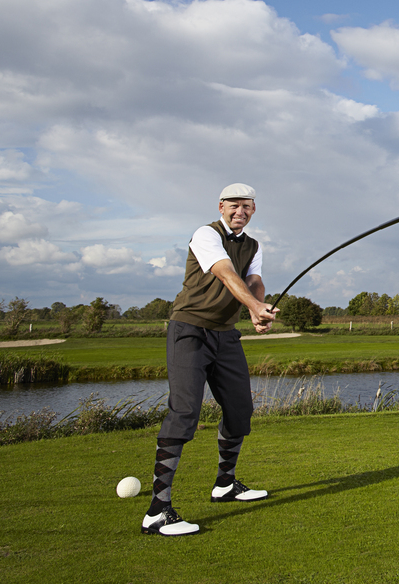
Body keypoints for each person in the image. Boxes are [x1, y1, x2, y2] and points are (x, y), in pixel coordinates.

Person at [141, 183, 280, 536]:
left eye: (247, 207)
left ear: (253, 210)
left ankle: (225, 484)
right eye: (234, 205)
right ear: (221, 206)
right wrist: (252, 305)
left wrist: (257, 308)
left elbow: (254, 279)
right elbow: (225, 272)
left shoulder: (253, 245)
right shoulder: (206, 234)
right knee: (185, 411)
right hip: (189, 330)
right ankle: (157, 512)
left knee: (240, 410)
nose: (240, 212)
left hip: (225, 334)